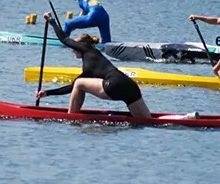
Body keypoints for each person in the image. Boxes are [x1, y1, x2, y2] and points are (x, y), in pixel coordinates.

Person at [36, 13, 197, 119]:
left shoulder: (87, 49)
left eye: (74, 48)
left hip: (113, 84)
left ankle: (71, 118)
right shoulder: (92, 62)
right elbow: (72, 88)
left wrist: (51, 21)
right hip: (129, 85)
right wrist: (47, 94)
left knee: (79, 84)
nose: (72, 51)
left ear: (81, 46)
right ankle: (186, 118)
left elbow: (64, 39)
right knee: (148, 121)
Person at [40, 0, 111, 44]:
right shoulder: (85, 1)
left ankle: (64, 41)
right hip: (104, 16)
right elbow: (79, 20)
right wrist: (69, 29)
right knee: (107, 44)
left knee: (68, 23)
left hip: (94, 14)